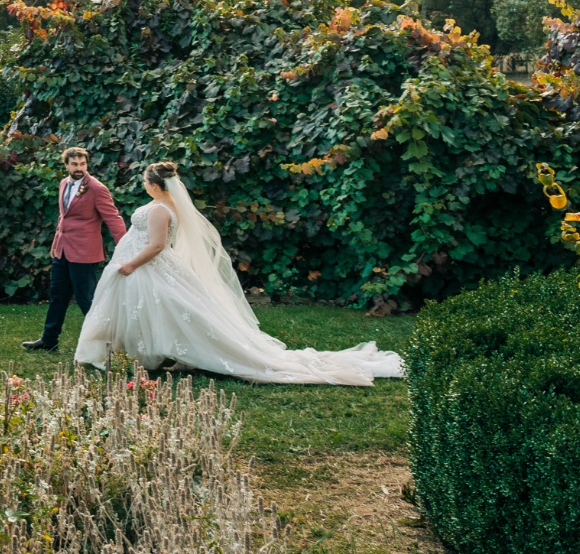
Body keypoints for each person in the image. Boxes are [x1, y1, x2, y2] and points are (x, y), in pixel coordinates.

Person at [74, 160, 404, 384]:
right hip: (149, 269)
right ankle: (147, 355)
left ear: (155, 186)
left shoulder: (160, 209)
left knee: (164, 311)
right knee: (158, 312)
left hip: (149, 267)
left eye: (146, 183)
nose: (145, 187)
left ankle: (156, 356)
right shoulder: (168, 205)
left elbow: (158, 244)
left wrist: (131, 263)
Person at [22, 146, 126, 352]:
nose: (79, 168)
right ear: (66, 165)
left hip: (85, 253)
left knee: (86, 299)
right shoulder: (63, 184)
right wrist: (55, 243)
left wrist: (125, 247)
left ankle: (106, 345)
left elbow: (113, 219)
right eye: (75, 164)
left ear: (87, 164)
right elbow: (64, 217)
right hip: (62, 251)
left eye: (83, 164)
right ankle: (49, 340)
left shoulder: (97, 188)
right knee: (57, 296)